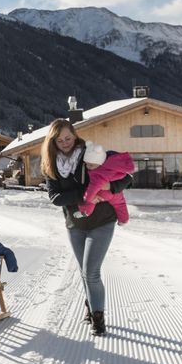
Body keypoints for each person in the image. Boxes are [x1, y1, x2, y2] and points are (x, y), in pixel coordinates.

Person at [41, 119, 132, 336]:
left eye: (68, 138)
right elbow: (55, 198)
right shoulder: (50, 165)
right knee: (84, 272)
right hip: (75, 223)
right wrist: (86, 195)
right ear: (52, 142)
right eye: (60, 140)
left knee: (91, 272)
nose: (65, 142)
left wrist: (109, 185)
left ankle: (98, 319)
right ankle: (90, 306)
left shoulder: (90, 153)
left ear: (75, 135)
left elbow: (127, 177)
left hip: (102, 220)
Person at [73, 144, 134, 224]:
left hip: (103, 193)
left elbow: (93, 188)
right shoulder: (113, 165)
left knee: (91, 198)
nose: (88, 167)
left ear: (100, 162)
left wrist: (87, 199)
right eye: (86, 164)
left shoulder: (98, 173)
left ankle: (85, 212)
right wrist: (113, 186)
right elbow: (126, 176)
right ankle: (124, 220)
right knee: (120, 204)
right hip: (116, 193)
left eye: (91, 165)